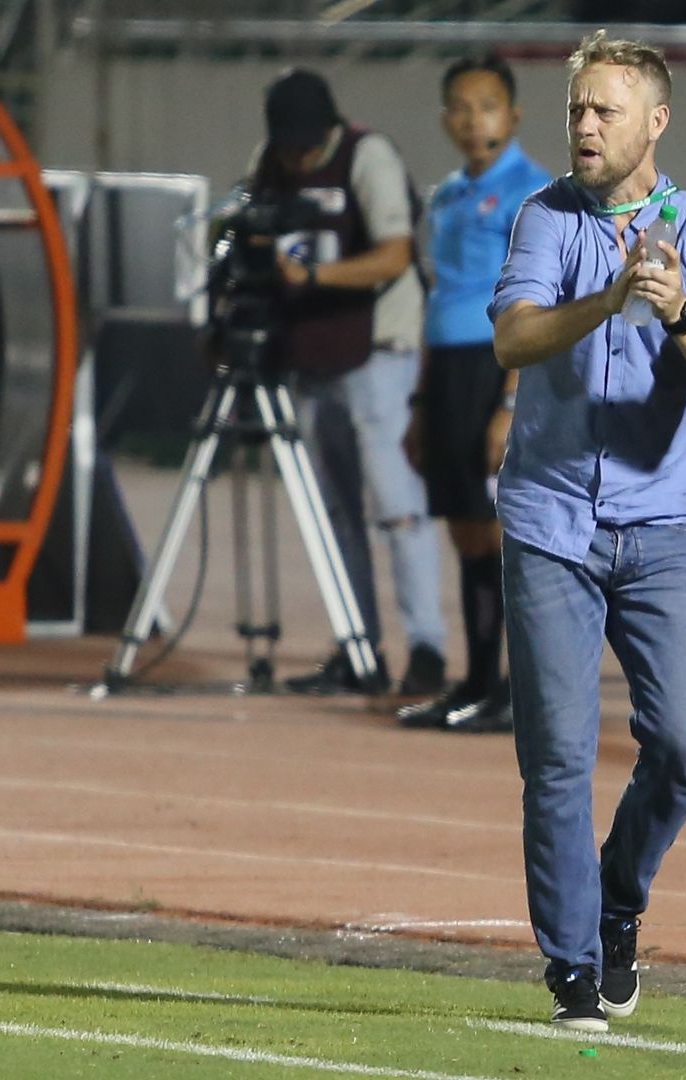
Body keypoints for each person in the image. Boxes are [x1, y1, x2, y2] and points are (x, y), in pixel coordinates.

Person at [489, 32, 686, 1032]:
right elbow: (513, 335)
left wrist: (680, 314)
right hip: (551, 521)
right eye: (576, 111)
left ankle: (616, 900)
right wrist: (605, 300)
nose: (585, 127)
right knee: (558, 755)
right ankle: (571, 967)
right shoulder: (545, 219)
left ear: (656, 121)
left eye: (605, 111)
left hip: (656, 528)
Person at [251, 68, 450, 699]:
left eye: (306, 143)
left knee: (399, 509)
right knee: (335, 513)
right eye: (288, 144)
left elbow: (396, 254)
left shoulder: (368, 155)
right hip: (312, 354)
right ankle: (357, 643)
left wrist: (314, 280)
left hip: (379, 351)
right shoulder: (269, 162)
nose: (298, 155)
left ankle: (427, 648)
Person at [398, 54, 554, 734]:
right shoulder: (448, 196)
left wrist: (511, 404)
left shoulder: (533, 192)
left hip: (498, 367)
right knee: (465, 530)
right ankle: (477, 682)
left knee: (501, 531)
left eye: (486, 105)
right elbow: (436, 299)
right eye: (459, 107)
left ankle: (520, 691)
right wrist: (420, 403)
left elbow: (538, 301)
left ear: (514, 115)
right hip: (450, 372)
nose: (472, 119)